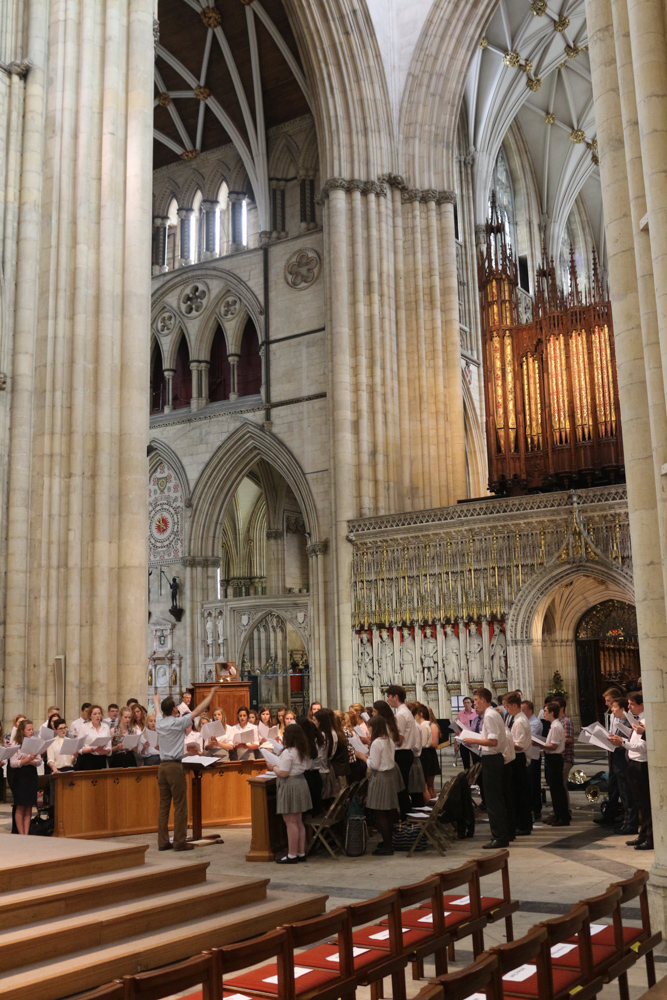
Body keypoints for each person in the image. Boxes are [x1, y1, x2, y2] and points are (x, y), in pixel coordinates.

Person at [154, 685, 220, 852]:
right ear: (174, 709)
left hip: (162, 767)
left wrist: (156, 701)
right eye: (176, 706)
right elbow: (197, 711)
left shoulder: (160, 722)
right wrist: (211, 694)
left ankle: (162, 842)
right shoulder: (178, 722)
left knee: (164, 805)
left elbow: (157, 711)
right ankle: (179, 841)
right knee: (180, 805)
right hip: (175, 766)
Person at [460, 687, 509, 848]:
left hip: (492, 759)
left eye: (475, 700)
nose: (474, 704)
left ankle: (499, 836)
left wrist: (474, 741)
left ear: (483, 699)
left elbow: (493, 741)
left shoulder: (490, 716)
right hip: (491, 758)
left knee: (493, 800)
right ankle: (501, 834)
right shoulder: (491, 715)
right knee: (495, 799)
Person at [265, 723, 313, 864]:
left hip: (290, 784)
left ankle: (292, 855)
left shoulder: (289, 752)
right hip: (300, 783)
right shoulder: (302, 750)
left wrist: (272, 766)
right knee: (298, 821)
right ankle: (301, 852)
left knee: (290, 822)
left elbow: (283, 773)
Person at [363, 714, 400, 856]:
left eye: (369, 727)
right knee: (388, 811)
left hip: (380, 778)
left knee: (380, 812)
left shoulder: (377, 742)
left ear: (374, 728)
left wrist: (364, 758)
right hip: (389, 777)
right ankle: (387, 842)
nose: (368, 730)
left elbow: (374, 765)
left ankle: (387, 846)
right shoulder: (388, 740)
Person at [622, 691, 651, 850]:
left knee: (645, 802)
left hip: (641, 764)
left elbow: (644, 747)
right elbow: (636, 741)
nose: (629, 707)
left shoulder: (647, 721)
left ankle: (649, 837)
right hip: (633, 762)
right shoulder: (638, 720)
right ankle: (643, 834)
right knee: (639, 802)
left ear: (642, 705)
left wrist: (622, 743)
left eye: (632, 704)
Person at [385, 685, 420, 818]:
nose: (387, 699)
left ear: (396, 697)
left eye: (389, 696)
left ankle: (403, 820)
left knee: (401, 788)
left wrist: (388, 733)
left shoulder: (400, 714)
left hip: (402, 753)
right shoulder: (405, 712)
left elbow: (399, 740)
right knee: (402, 786)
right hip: (405, 753)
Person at [504, 692, 533, 835]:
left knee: (520, 793)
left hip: (519, 758)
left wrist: (505, 743)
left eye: (508, 707)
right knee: (517, 792)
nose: (506, 710)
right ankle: (521, 822)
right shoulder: (517, 719)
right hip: (516, 757)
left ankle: (524, 825)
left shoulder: (520, 721)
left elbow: (519, 745)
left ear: (515, 705)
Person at [9, 719, 42, 834]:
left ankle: (27, 833)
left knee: (29, 806)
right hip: (20, 776)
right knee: (21, 805)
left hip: (31, 775)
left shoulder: (34, 742)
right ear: (22, 731)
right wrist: (26, 760)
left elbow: (39, 761)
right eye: (29, 729)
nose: (31, 731)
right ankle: (21, 833)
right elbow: (13, 763)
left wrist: (30, 762)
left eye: (32, 729)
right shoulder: (15, 744)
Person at [542, 701, 569, 826]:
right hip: (551, 758)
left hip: (555, 758)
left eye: (546, 711)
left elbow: (554, 745)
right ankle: (558, 815)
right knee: (554, 788)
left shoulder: (556, 726)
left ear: (552, 713)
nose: (544, 714)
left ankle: (563, 817)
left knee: (558, 789)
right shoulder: (553, 725)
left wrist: (539, 744)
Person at [521, 699, 544, 821]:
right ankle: (529, 806)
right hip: (525, 756)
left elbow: (528, 738)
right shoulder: (523, 721)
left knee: (534, 783)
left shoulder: (535, 722)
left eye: (523, 710)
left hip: (533, 756)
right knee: (527, 783)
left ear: (530, 711)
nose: (522, 712)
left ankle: (536, 809)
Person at [296, 716, 324, 815]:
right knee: (314, 809)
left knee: (307, 811)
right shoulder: (317, 740)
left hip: (307, 777)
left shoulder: (305, 743)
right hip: (316, 776)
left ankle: (309, 830)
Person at [75, 705, 111, 770]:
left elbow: (109, 745)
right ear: (90, 716)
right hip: (88, 759)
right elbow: (79, 748)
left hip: (101, 758)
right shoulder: (84, 727)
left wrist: (106, 751)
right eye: (95, 714)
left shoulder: (105, 726)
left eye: (99, 713)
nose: (97, 716)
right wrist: (93, 749)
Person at [313, 708, 338, 800]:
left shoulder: (321, 735)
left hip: (320, 770)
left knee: (322, 798)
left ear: (320, 722)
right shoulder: (333, 733)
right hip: (328, 768)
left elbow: (318, 755)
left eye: (314, 720)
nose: (313, 722)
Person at [456, 696, 478, 771]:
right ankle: (467, 776)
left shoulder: (476, 713)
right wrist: (456, 742)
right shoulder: (460, 714)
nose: (466, 704)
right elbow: (457, 729)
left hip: (473, 738)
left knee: (475, 760)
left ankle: (475, 777)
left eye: (468, 703)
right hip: (463, 739)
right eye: (465, 703)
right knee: (465, 760)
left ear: (471, 703)